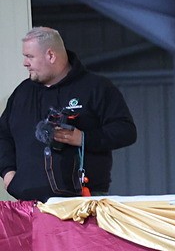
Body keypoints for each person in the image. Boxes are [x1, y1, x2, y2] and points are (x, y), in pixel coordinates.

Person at [0, 27, 137, 201]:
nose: (25, 63)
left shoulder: (95, 87)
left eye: (30, 57)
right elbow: (3, 135)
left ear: (51, 55)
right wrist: (8, 173)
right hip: (28, 205)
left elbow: (126, 131)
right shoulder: (22, 93)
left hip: (83, 203)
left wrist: (84, 138)